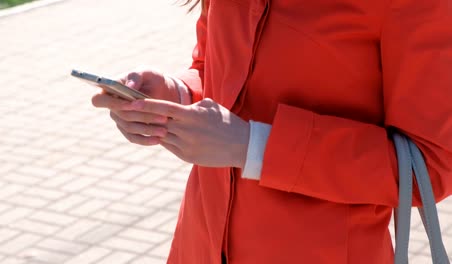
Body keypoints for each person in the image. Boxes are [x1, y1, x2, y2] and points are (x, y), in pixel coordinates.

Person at [91, 0, 452, 263]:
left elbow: (429, 165)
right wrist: (177, 92)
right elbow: (213, 67)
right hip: (197, 244)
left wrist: (253, 146)